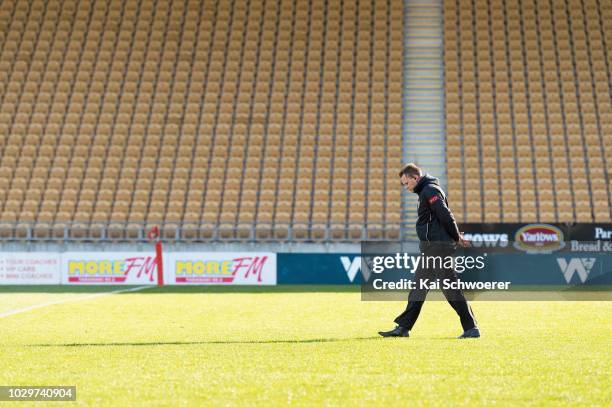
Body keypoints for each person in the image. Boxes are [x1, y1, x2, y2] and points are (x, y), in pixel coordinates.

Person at [378, 163, 480, 339]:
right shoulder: (427, 191)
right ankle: (403, 327)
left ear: (415, 178)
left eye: (406, 183)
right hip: (432, 247)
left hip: (437, 247)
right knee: (420, 287)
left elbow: (446, 215)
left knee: (450, 289)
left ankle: (471, 328)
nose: (406, 187)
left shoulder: (430, 191)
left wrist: (456, 236)